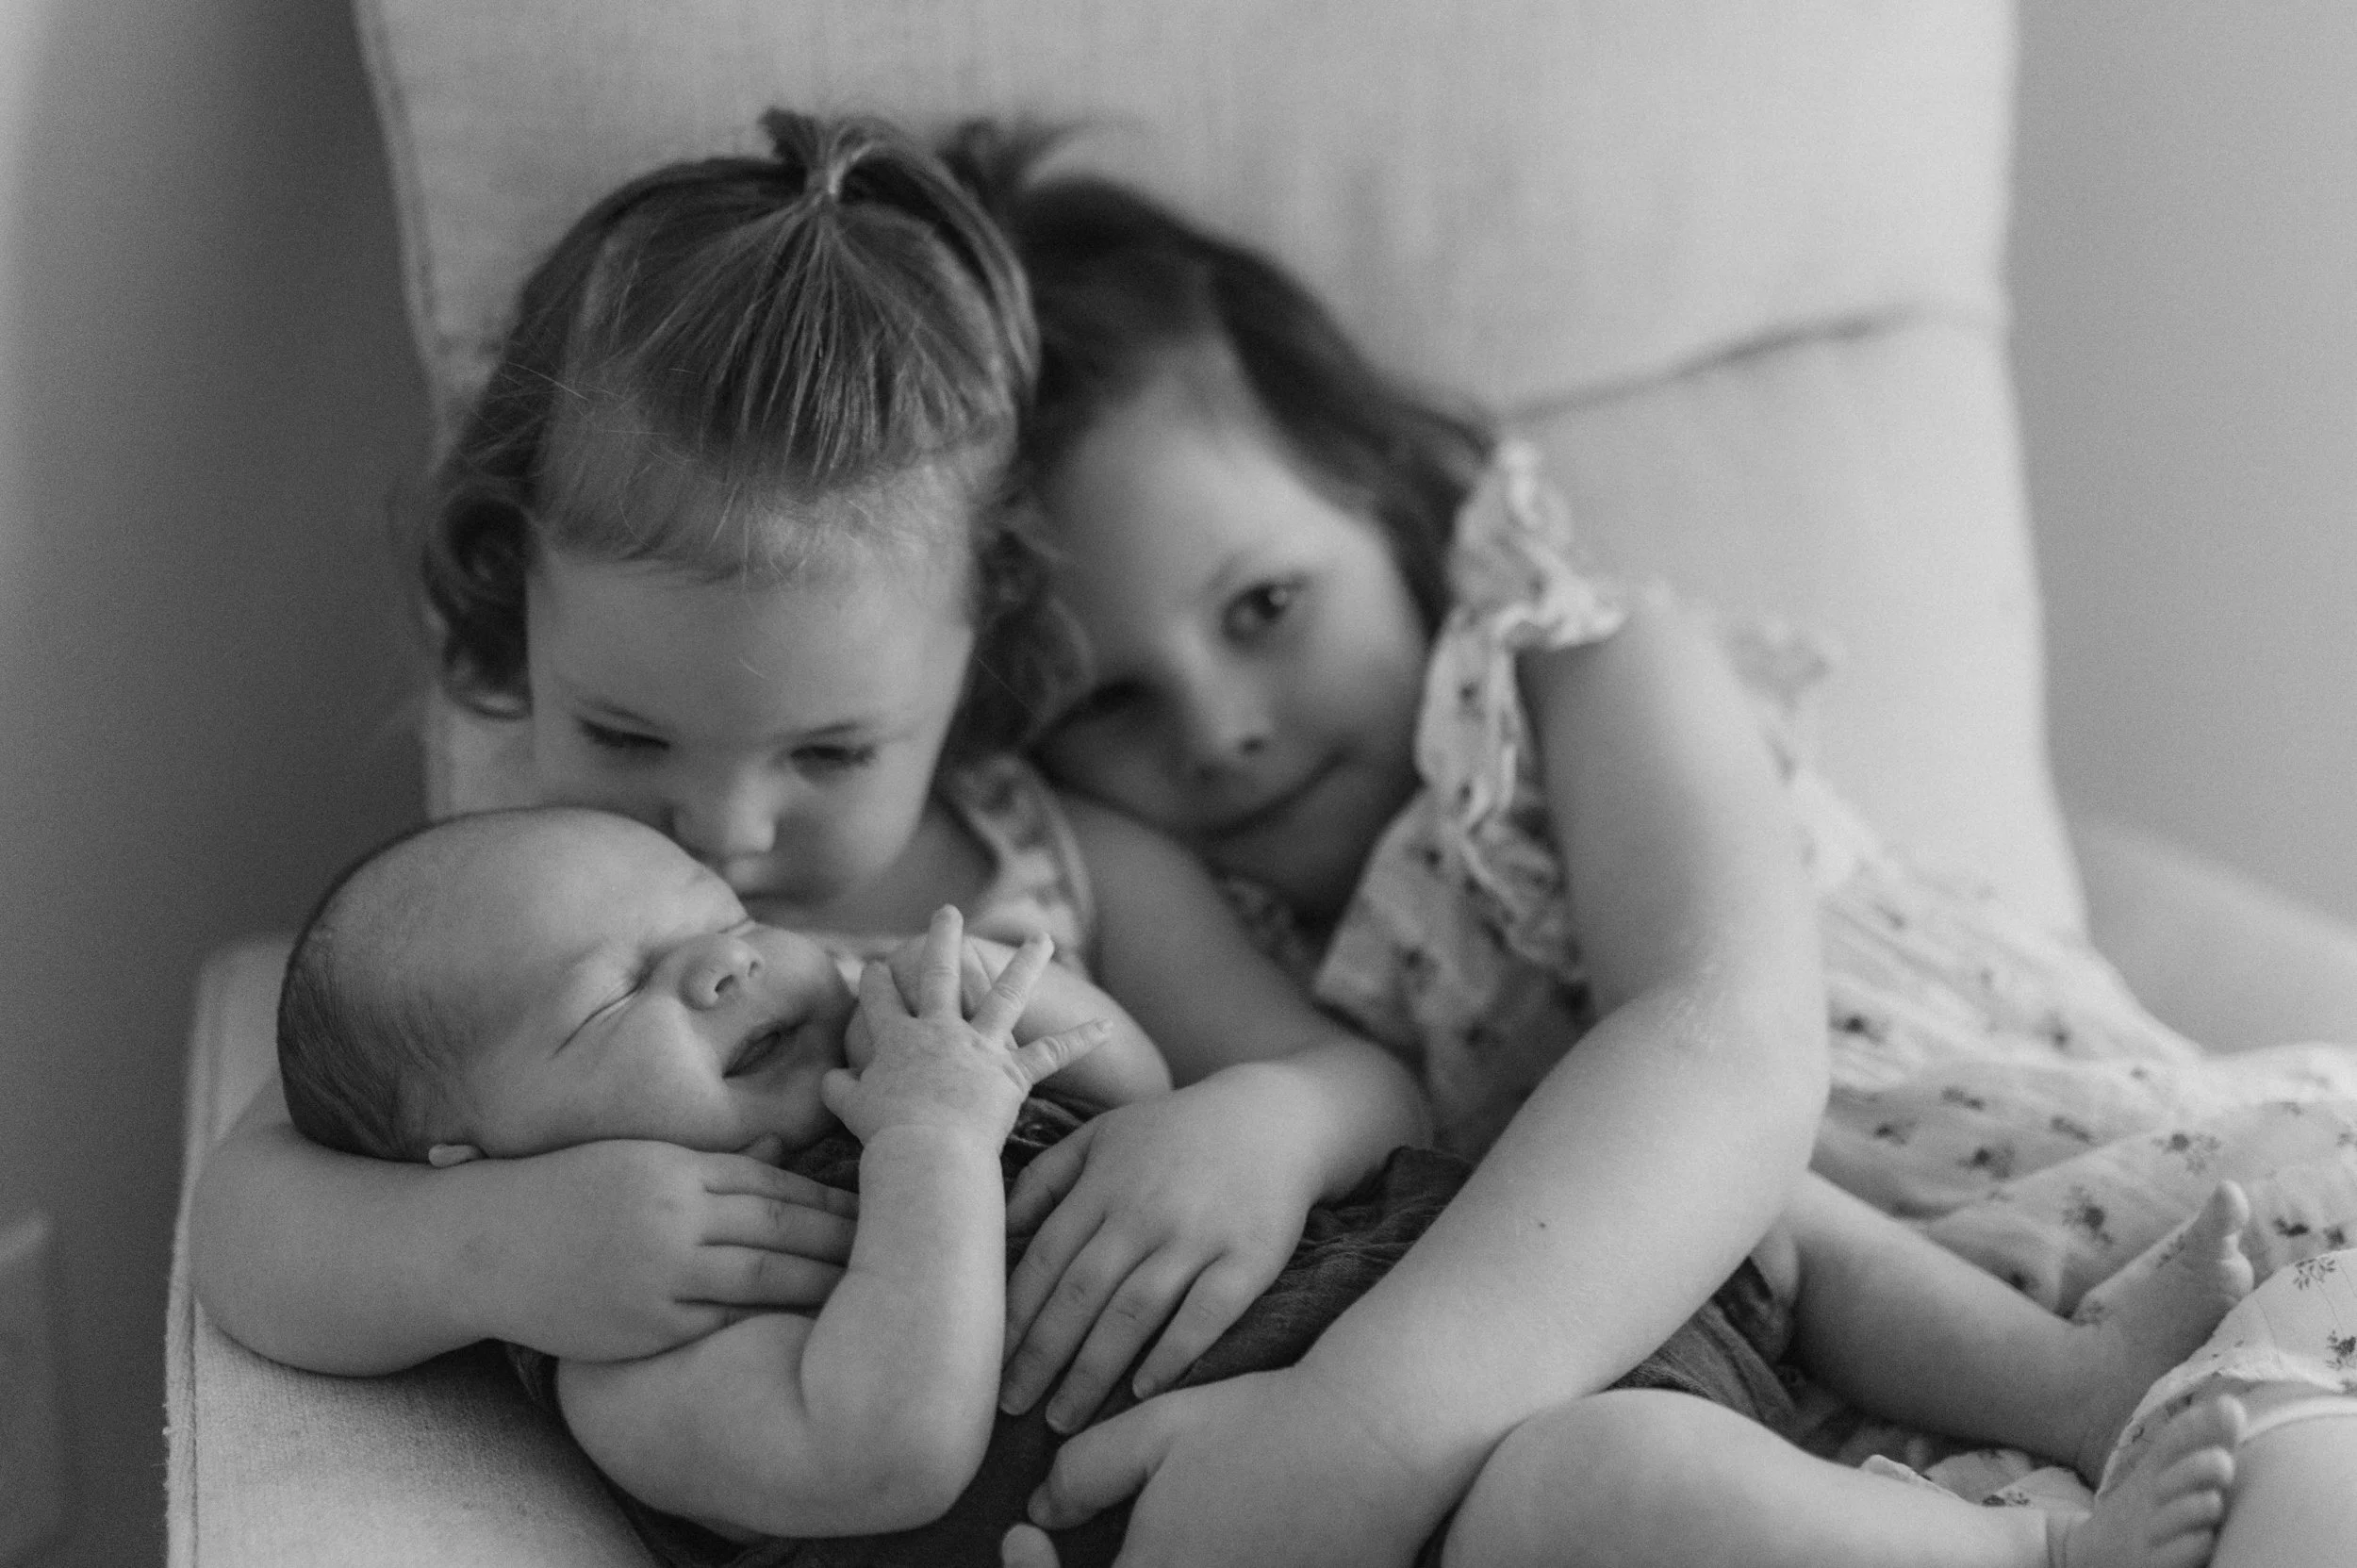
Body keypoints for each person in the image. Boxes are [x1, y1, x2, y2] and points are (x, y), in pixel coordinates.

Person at [952, 131, 2357, 1567]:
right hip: (1860, 1476)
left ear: (1379, 497)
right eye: (1111, 699)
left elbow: (1721, 1051)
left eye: (1264, 607)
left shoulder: (1579, 673)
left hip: (2159, 1257)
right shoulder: (1192, 916)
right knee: (1568, 1505)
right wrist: (1266, 1115)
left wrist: (1356, 1432)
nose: (1219, 729)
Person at [188, 109, 1426, 1410]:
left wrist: (1262, 1133)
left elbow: (1364, 1082)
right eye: (625, 731)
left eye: (830, 750)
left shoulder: (1060, 863)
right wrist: (490, 1249)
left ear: (982, 646)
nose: (725, 828)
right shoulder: (521, 914)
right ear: (517, 592)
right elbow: (247, 1221)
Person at [280, 804, 2254, 1568]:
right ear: (474, 1161)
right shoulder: (642, 1327)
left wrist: (1072, 1061)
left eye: (713, 918)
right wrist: (940, 1145)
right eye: (609, 994)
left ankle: (2049, 1382)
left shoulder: (900, 1059)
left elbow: (1163, 1096)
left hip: (1461, 1295)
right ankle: (2016, 1558)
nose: (722, 961)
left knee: (1706, 1187)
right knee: (1617, 1500)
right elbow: (883, 1448)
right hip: (1446, 1509)